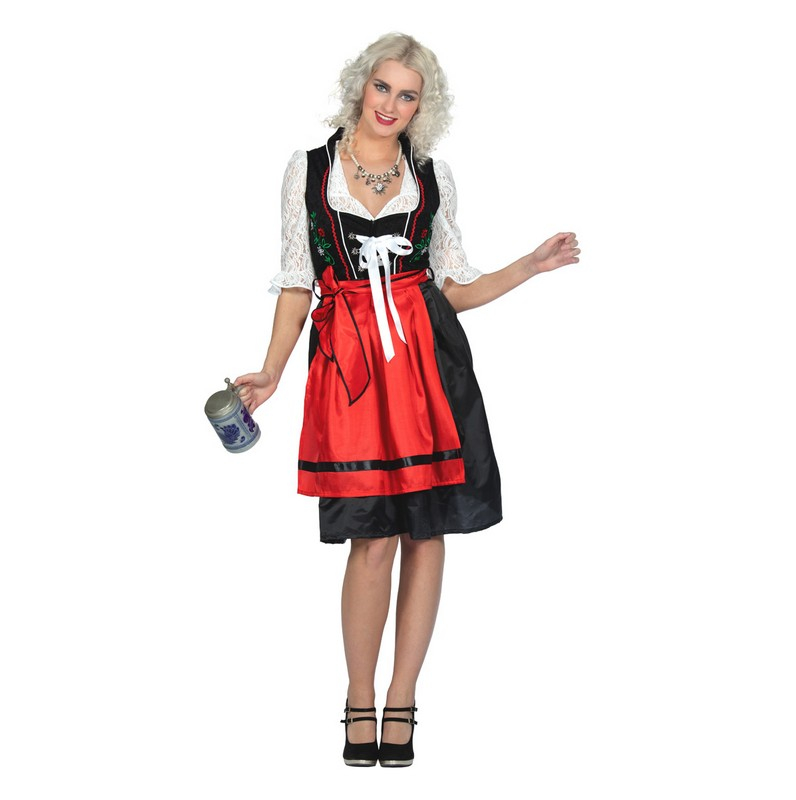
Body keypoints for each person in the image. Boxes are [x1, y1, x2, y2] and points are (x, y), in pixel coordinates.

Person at [235, 32, 580, 768]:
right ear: (362, 85)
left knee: (427, 533)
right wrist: (271, 371)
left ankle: (402, 697)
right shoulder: (309, 171)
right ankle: (358, 696)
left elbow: (454, 288)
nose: (391, 104)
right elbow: (298, 284)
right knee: (372, 538)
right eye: (383, 87)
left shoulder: (432, 176)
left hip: (428, 365)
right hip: (353, 369)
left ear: (424, 106)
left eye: (408, 95)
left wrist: (529, 265)